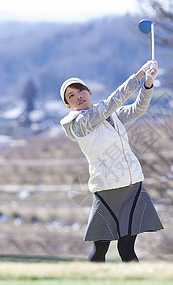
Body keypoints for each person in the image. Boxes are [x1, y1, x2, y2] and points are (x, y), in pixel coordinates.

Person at [60, 59, 164, 262]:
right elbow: (111, 103)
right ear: (68, 106)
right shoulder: (80, 123)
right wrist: (138, 75)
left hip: (131, 184)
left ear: (89, 92)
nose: (78, 96)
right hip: (108, 189)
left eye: (80, 90)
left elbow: (137, 109)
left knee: (127, 249)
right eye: (71, 96)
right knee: (100, 250)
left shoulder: (110, 115)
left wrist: (148, 84)